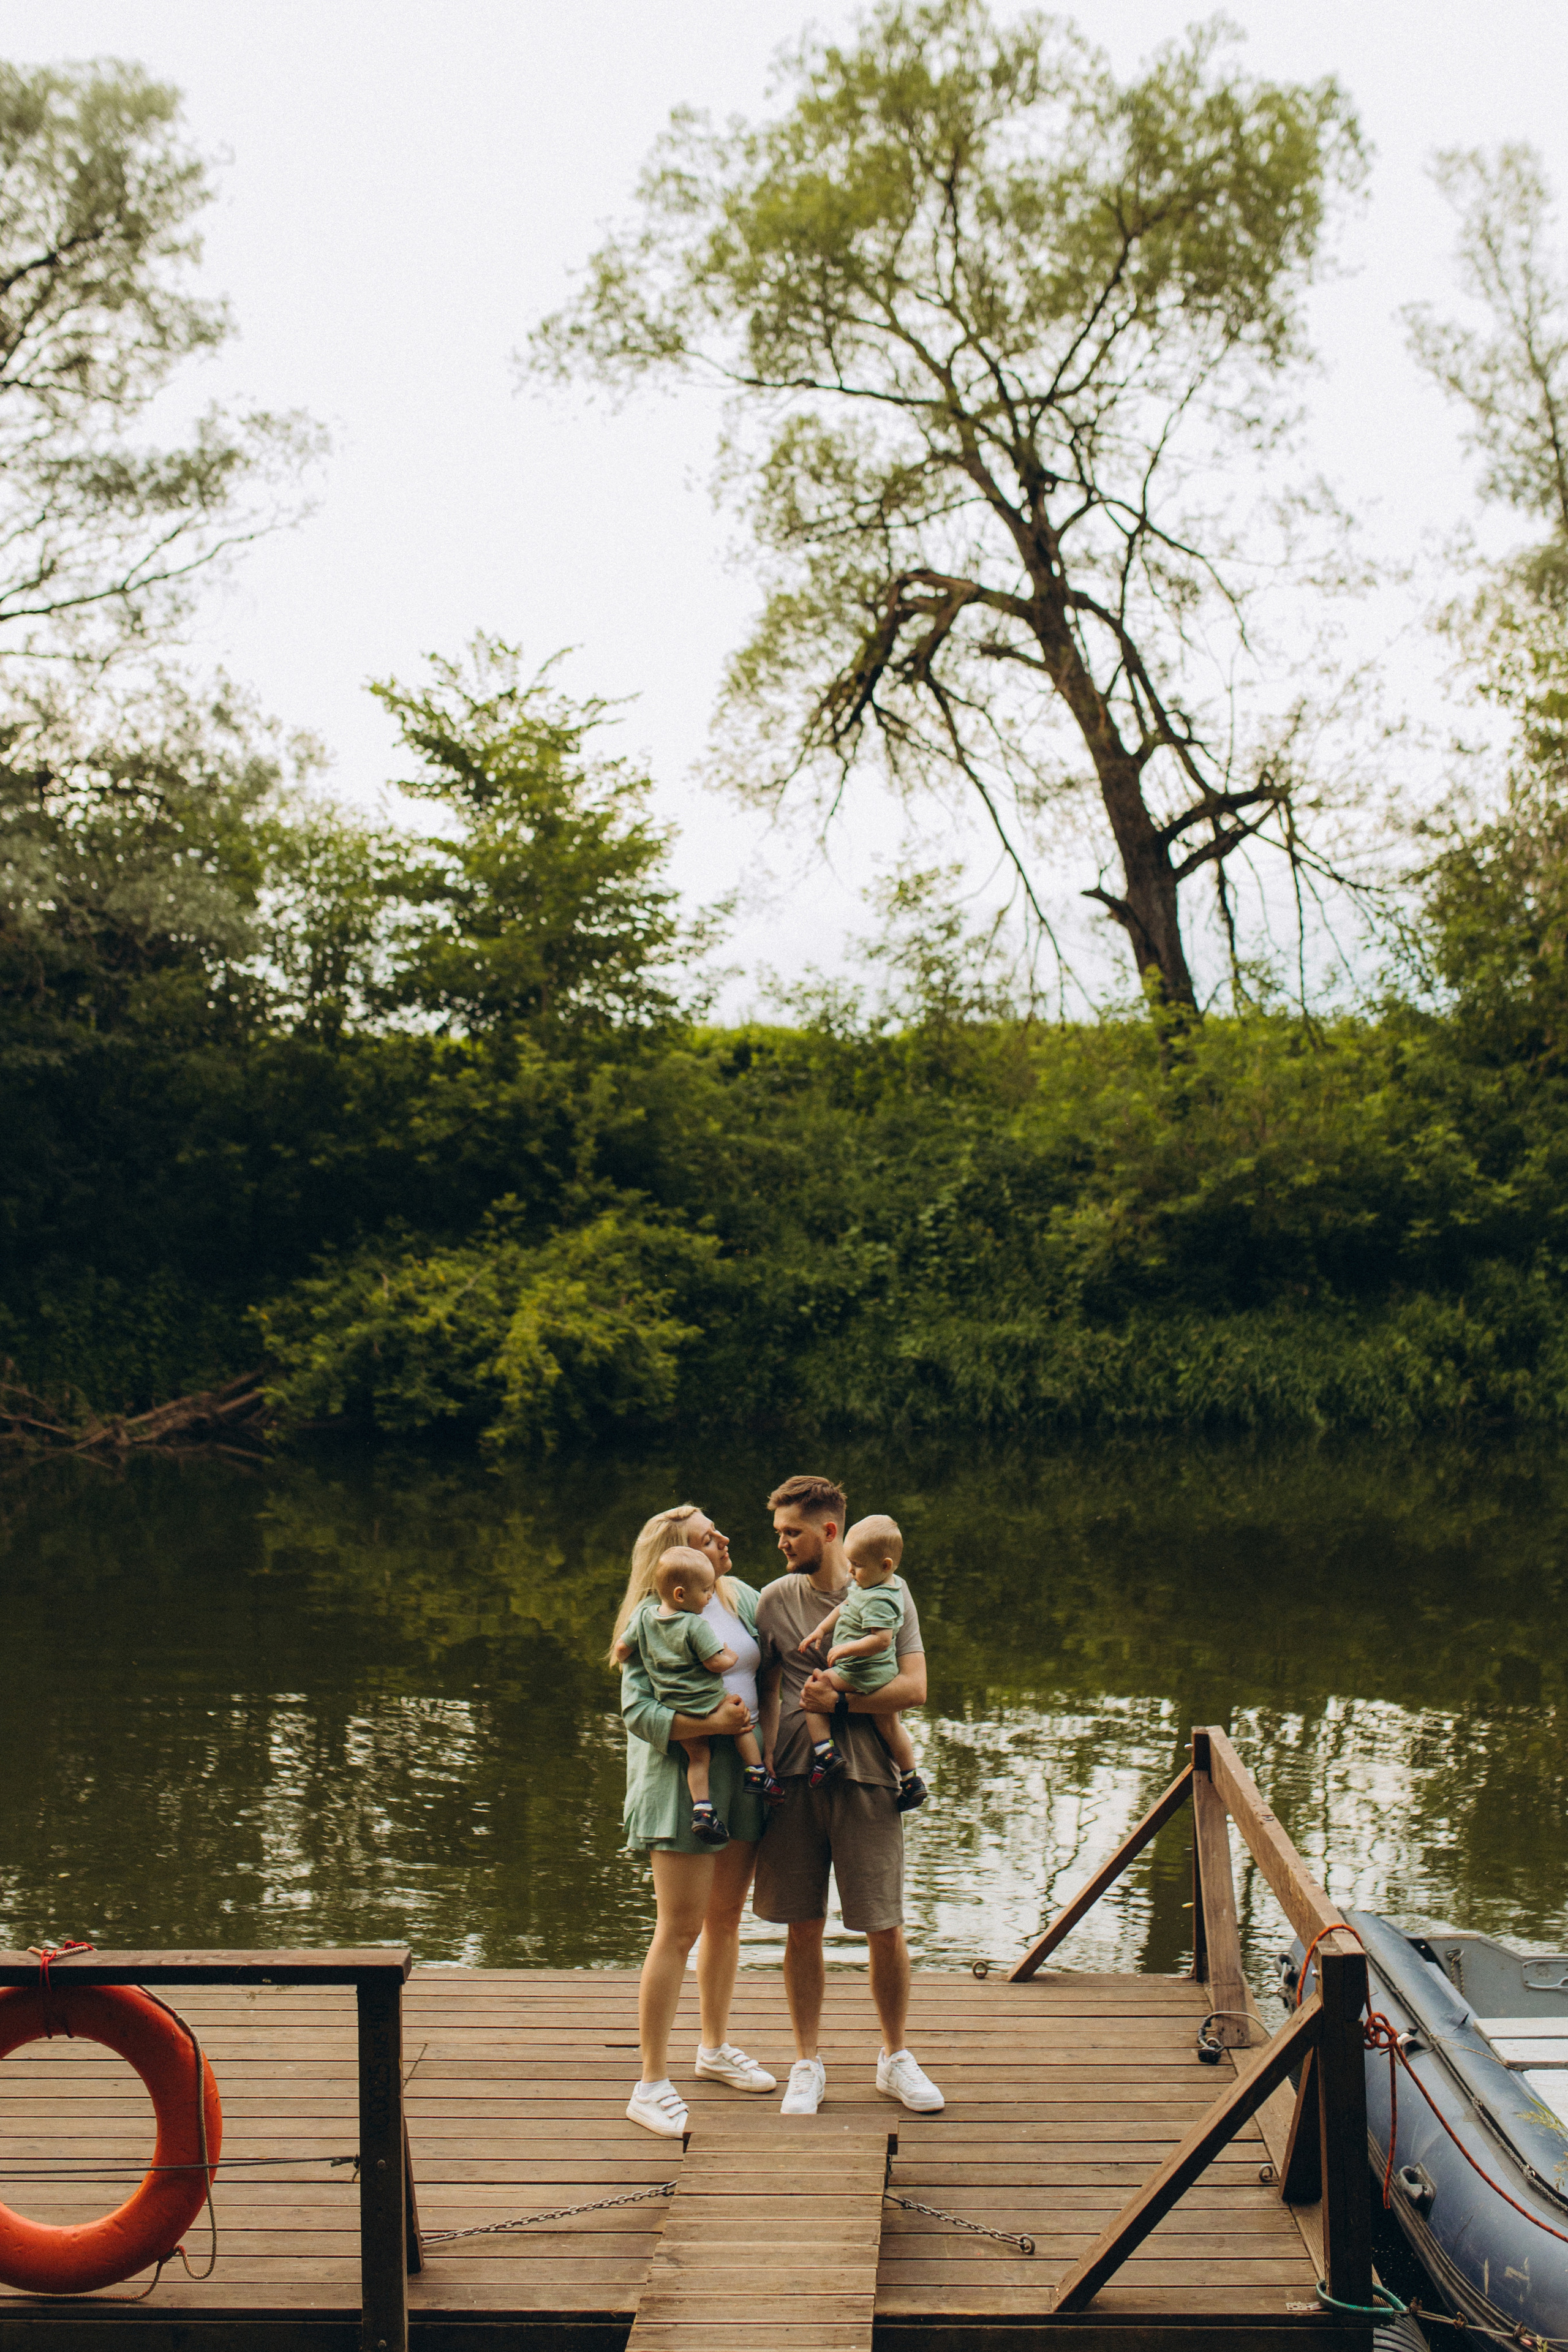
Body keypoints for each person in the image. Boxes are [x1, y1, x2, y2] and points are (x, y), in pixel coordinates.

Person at [754, 1474, 944, 2118]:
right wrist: (758, 1763)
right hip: (792, 1779)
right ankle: (807, 2061)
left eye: (792, 1533)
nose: (782, 1543)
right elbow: (762, 1686)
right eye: (779, 1532)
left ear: (829, 1531)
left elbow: (914, 1688)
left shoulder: (889, 1591)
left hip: (868, 1777)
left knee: (884, 1925)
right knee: (801, 1927)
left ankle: (895, 2057)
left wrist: (840, 1702)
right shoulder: (774, 1600)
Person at [612, 1504, 777, 2138]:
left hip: (743, 1776)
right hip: (682, 1779)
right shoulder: (652, 1619)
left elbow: (773, 1672)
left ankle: (713, 2049)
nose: (725, 1539)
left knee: (725, 1919)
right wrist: (711, 1723)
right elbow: (639, 1712)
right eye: (711, 1537)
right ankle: (650, 2083)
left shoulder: (738, 1596)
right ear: (679, 1562)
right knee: (678, 1930)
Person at [614, 1545, 772, 1842]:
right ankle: (757, 1772)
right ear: (680, 1594)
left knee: (698, 1758)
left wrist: (624, 1657)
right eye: (705, 1590)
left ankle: (703, 1809)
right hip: (706, 1701)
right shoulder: (693, 1624)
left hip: (676, 1704)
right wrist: (730, 1657)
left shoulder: (646, 1618)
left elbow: (622, 1648)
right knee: (740, 1720)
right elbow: (715, 1664)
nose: (710, 1595)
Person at [799, 1513, 927, 1811]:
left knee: (814, 1692)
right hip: (881, 1673)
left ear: (885, 1566)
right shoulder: (871, 1586)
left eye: (857, 1565)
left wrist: (845, 1649)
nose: (850, 1570)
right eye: (849, 1562)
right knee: (889, 1724)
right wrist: (821, 1630)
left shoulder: (881, 1599)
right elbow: (845, 1607)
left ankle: (825, 1754)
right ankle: (911, 1780)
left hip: (862, 1670)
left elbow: (881, 1640)